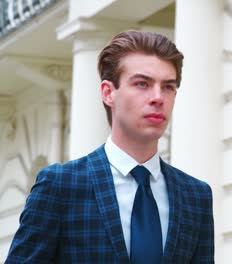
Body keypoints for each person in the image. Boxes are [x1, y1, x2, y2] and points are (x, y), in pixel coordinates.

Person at [6, 31, 214, 263]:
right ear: (108, 93)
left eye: (168, 87)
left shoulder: (196, 196)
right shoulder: (61, 186)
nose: (158, 97)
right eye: (142, 84)